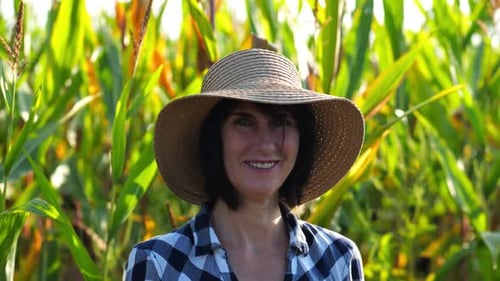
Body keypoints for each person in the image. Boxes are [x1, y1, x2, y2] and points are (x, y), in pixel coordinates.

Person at [124, 48, 365, 281]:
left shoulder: (337, 260)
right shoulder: (159, 263)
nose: (265, 143)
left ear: (302, 140)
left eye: (280, 122)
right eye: (244, 122)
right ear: (214, 138)